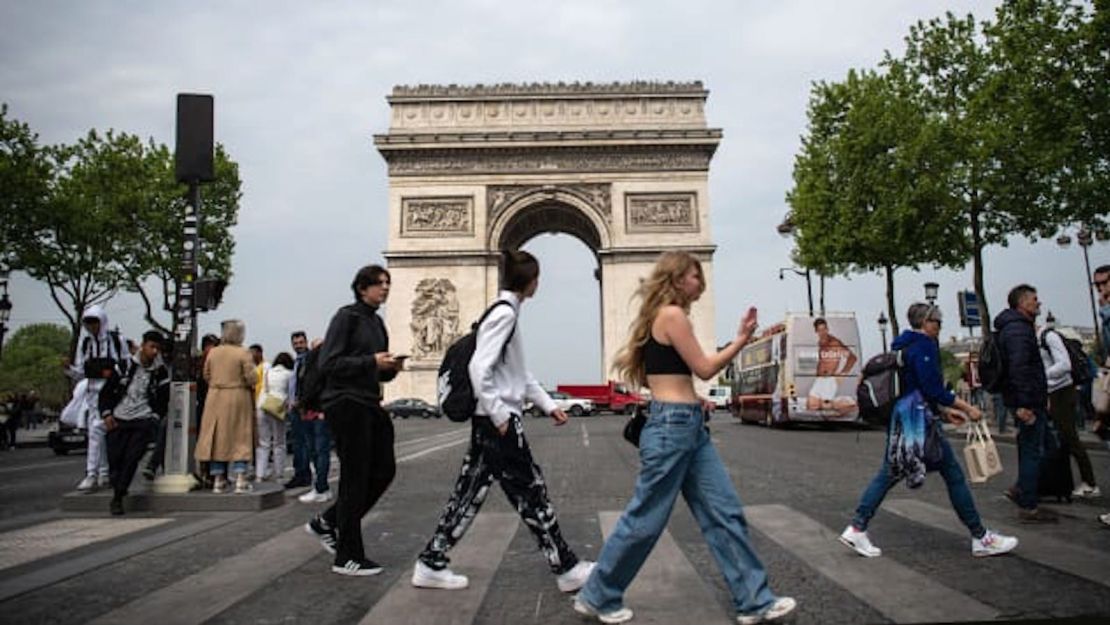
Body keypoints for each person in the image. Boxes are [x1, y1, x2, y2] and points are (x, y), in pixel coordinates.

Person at [574, 251, 795, 625]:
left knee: (724, 513)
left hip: (685, 424)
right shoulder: (673, 316)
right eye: (694, 275)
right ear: (676, 279)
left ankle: (754, 602)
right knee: (645, 518)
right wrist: (741, 339)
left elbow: (656, 377)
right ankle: (597, 595)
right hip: (674, 428)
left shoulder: (657, 320)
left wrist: (690, 398)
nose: (700, 281)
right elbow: (705, 367)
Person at [411, 250, 594, 594]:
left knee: (469, 492)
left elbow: (516, 373)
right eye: (538, 278)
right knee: (531, 490)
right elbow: (479, 367)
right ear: (531, 281)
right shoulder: (505, 315)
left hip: (491, 421)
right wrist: (499, 415)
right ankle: (565, 566)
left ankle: (431, 561)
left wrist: (547, 403)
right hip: (499, 423)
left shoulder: (501, 311)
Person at [839, 303, 1018, 559]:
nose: (940, 327)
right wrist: (968, 408)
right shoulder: (923, 346)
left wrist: (945, 413)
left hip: (905, 416)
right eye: (938, 322)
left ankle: (857, 526)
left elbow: (913, 387)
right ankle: (981, 537)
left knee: (891, 472)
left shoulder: (902, 345)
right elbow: (932, 389)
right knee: (951, 475)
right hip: (916, 422)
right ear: (925, 322)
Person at [304, 264, 403, 576]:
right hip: (345, 402)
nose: (385, 287)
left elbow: (374, 368)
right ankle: (347, 556)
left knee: (385, 469)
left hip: (368, 400)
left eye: (388, 282)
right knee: (355, 476)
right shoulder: (345, 317)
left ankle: (328, 522)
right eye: (379, 283)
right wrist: (370, 361)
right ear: (363, 288)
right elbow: (329, 363)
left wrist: (388, 368)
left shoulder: (378, 323)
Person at [995, 285, 1057, 523]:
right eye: (1034, 299)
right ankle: (1028, 503)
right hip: (1028, 401)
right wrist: (1024, 403)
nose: (1038, 303)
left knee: (1040, 447)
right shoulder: (1018, 331)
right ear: (1022, 303)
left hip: (1030, 398)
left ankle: (1022, 488)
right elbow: (1020, 368)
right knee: (1036, 450)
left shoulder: (1014, 328)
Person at [99, 331, 170, 515]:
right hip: (119, 419)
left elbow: (163, 399)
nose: (154, 352)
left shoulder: (159, 372)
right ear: (143, 345)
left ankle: (118, 496)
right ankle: (117, 484)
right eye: (151, 347)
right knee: (115, 459)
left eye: (158, 349)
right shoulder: (124, 366)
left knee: (131, 459)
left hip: (142, 420)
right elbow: (106, 392)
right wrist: (106, 414)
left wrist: (154, 417)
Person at [67, 305, 128, 492]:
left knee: (97, 433)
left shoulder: (116, 341)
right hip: (93, 394)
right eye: (89, 322)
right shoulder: (85, 344)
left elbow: (125, 365)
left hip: (110, 394)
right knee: (97, 434)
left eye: (95, 322)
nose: (92, 326)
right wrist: (68, 369)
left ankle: (95, 473)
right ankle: (101, 473)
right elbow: (79, 372)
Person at [1037, 323, 1099, 499]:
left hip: (1062, 391)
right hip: (1057, 392)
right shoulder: (1042, 339)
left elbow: (1064, 364)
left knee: (1070, 438)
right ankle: (1065, 484)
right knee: (1065, 440)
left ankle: (1090, 483)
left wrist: (1043, 375)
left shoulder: (1048, 337)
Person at [195, 320, 257, 494]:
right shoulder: (243, 352)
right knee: (240, 437)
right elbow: (251, 377)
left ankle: (218, 479)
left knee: (217, 439)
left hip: (215, 397)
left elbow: (206, 374)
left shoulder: (213, 352)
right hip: (238, 395)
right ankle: (240, 478)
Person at [296, 338, 333, 504]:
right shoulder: (329, 363)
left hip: (316, 413)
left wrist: (302, 404)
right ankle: (321, 487)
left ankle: (321, 487)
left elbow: (310, 387)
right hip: (318, 412)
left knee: (318, 451)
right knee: (319, 451)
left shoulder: (314, 362)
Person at [805, 317, 858, 416]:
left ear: (827, 329)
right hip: (820, 378)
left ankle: (850, 404)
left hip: (830, 379)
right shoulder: (821, 343)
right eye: (820, 330)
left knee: (825, 407)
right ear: (816, 331)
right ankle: (839, 404)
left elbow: (852, 358)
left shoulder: (834, 343)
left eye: (824, 329)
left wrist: (842, 374)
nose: (823, 332)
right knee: (810, 405)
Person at [256, 352, 294, 483]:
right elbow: (290, 393)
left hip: (263, 406)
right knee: (279, 443)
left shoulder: (268, 372)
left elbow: (265, 389)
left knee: (263, 443)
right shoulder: (290, 374)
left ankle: (260, 474)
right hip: (278, 408)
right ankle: (279, 474)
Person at [284, 331, 314, 490]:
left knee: (302, 443)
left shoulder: (308, 361)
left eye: (301, 343)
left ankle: (302, 475)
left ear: (306, 342)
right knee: (298, 443)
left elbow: (309, 383)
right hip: (294, 407)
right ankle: (301, 474)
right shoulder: (297, 361)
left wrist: (300, 401)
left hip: (303, 407)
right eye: (295, 343)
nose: (298, 346)